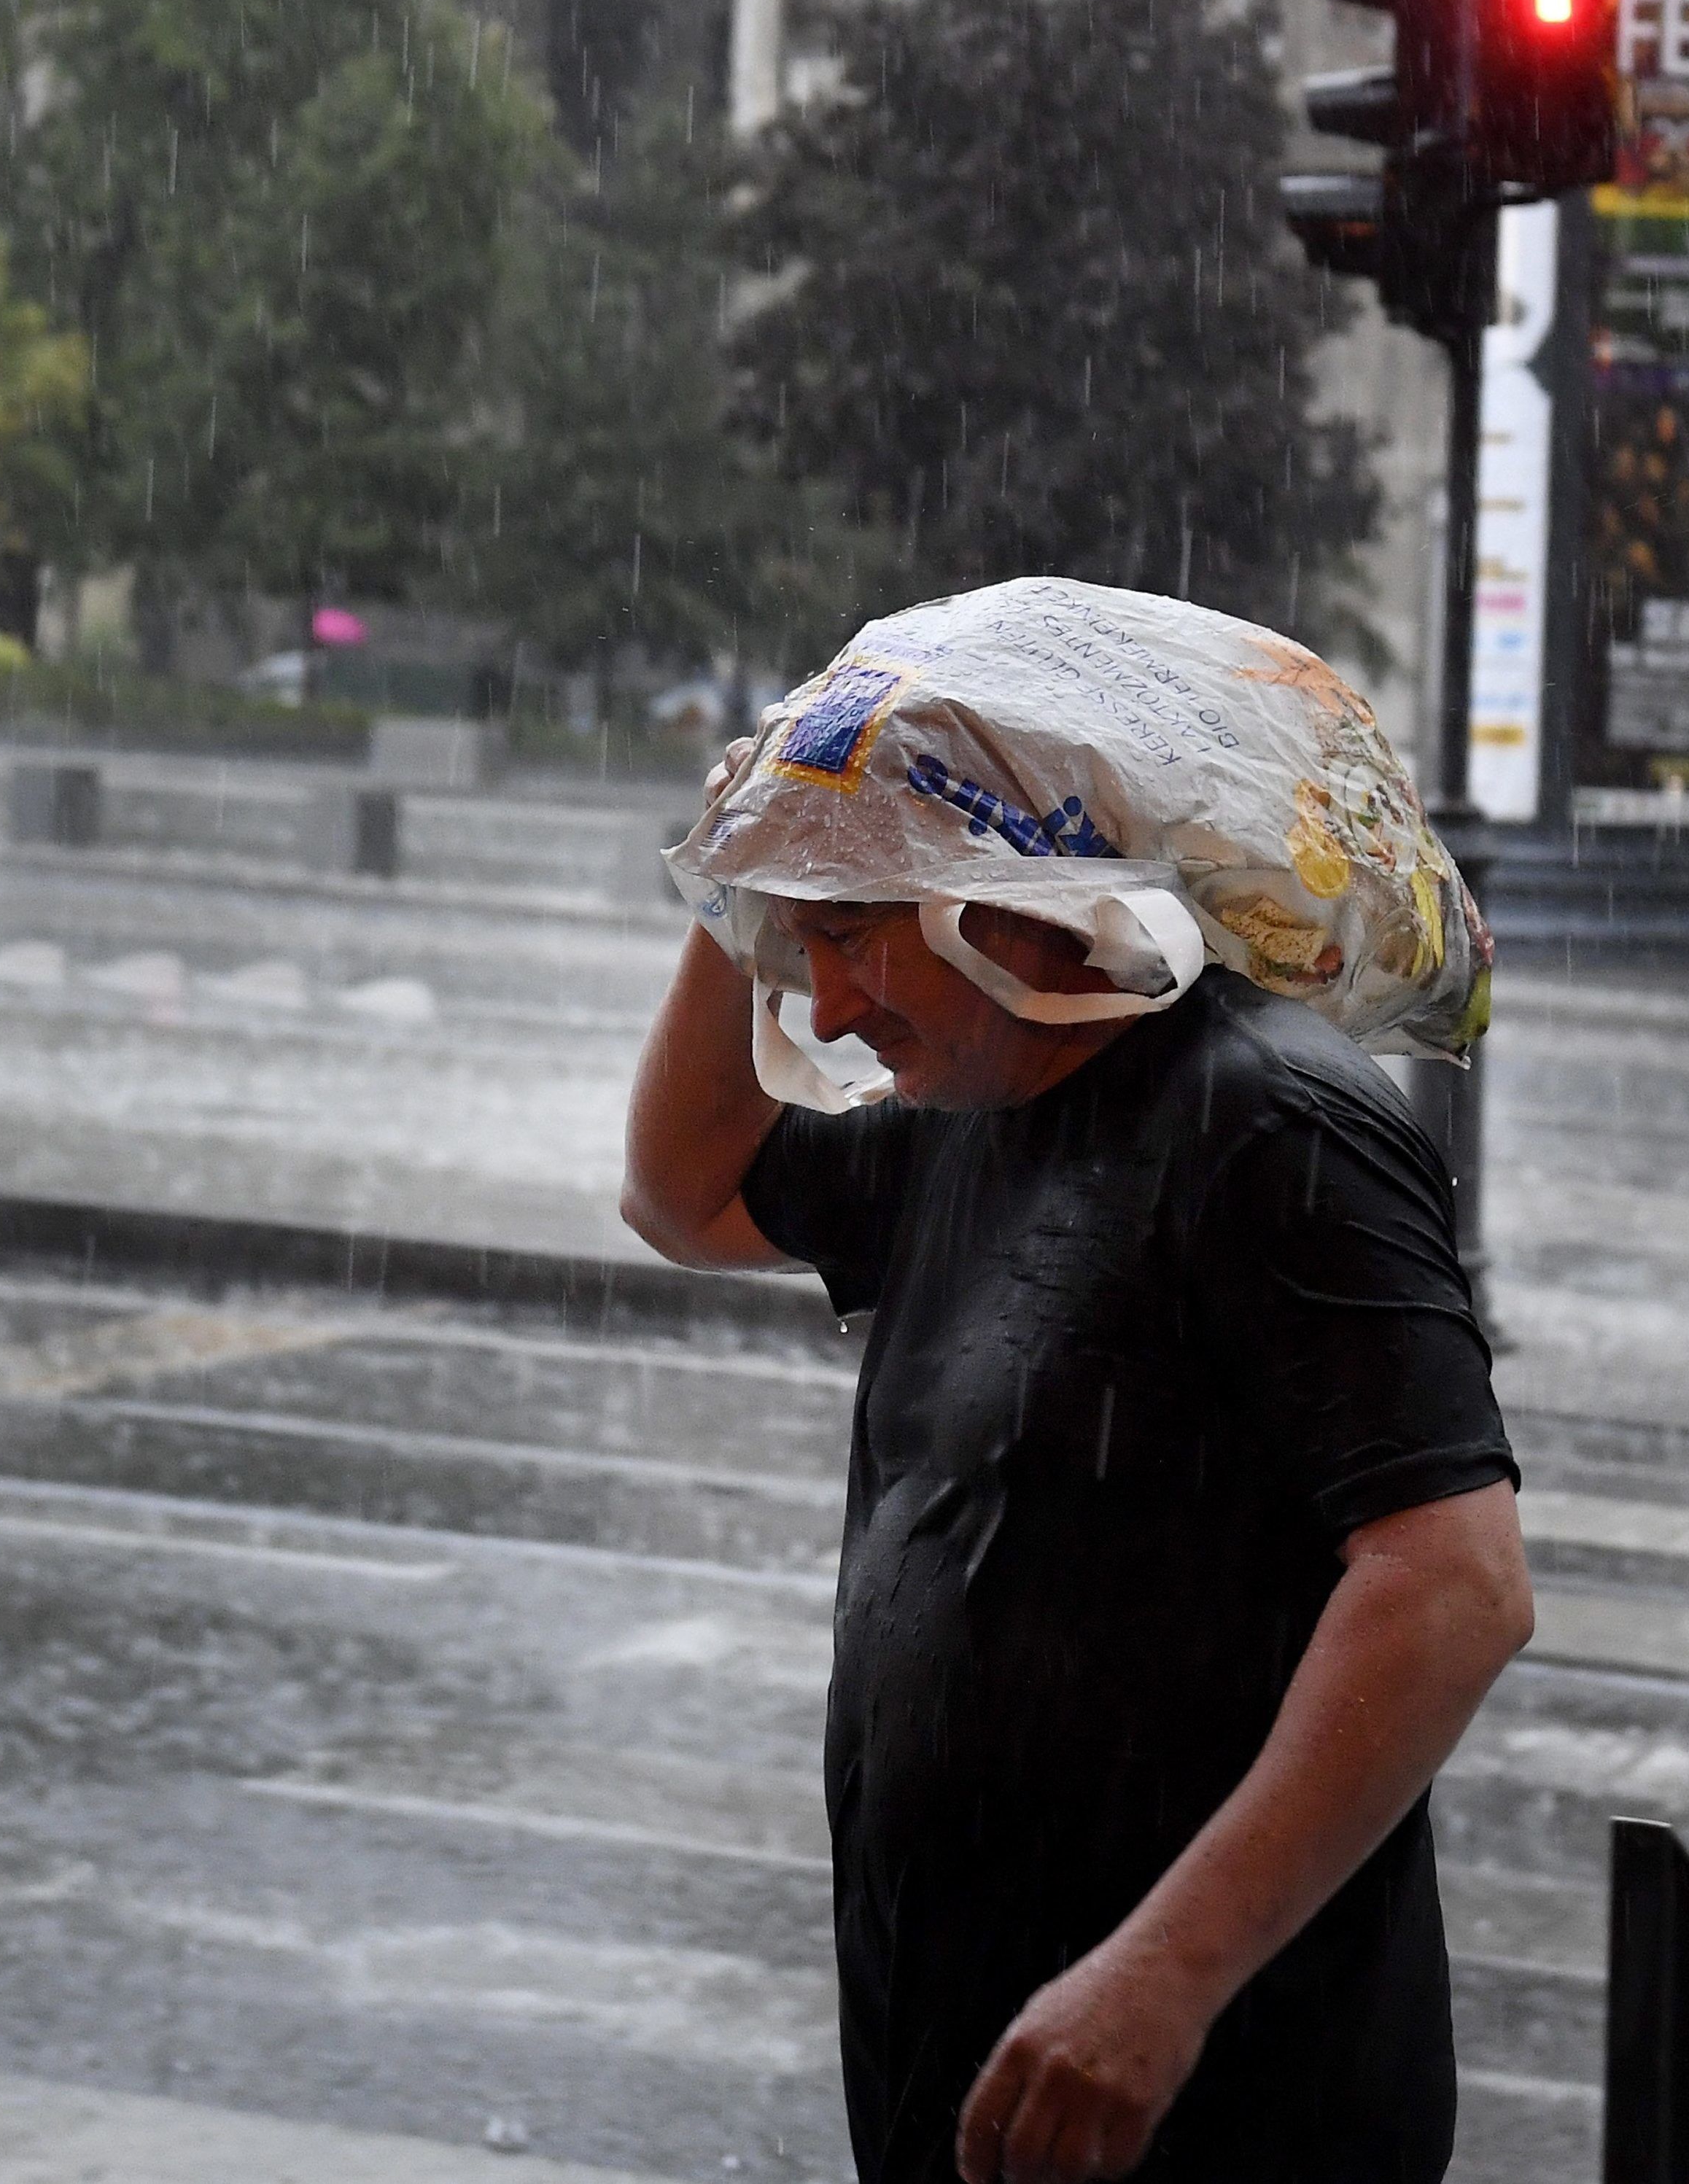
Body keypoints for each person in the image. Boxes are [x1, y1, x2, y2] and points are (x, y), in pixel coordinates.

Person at [620, 772, 1531, 2184]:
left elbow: (1454, 1585)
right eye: (795, 951)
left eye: (852, 936)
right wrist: (753, 860)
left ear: (1009, 894)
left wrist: (1161, 1977)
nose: (828, 1011)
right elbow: (679, 1191)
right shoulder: (965, 1107)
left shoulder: (1273, 1118)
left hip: (1217, 2091)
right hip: (972, 2049)